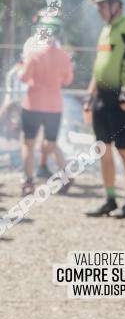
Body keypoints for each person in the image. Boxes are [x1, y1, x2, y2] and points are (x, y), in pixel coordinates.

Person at [84, 0, 125, 219]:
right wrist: (89, 96)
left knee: (124, 149)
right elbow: (97, 66)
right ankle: (110, 199)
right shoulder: (105, 29)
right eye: (98, 6)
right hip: (101, 97)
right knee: (103, 149)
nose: (99, 9)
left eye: (103, 5)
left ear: (116, 5)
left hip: (120, 97)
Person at [18, 11, 73, 196]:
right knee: (51, 142)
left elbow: (24, 77)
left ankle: (28, 182)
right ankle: (66, 174)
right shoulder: (64, 56)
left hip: (32, 104)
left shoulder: (34, 53)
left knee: (28, 143)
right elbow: (67, 80)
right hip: (53, 106)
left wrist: (21, 65)